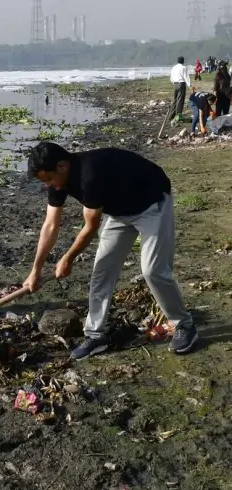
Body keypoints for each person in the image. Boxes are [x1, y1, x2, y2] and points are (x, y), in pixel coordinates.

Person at [23, 142, 198, 360]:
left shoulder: (90, 175)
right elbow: (50, 225)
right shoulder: (57, 183)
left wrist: (67, 259)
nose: (49, 185)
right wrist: (35, 270)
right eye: (44, 182)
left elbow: (90, 227)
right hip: (119, 212)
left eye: (48, 179)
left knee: (153, 270)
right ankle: (96, 335)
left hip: (151, 204)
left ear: (62, 166)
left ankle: (184, 324)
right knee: (102, 272)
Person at [168, 56, 190, 122]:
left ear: (177, 61)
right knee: (180, 100)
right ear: (183, 61)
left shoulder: (174, 67)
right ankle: (178, 115)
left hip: (175, 84)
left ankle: (171, 115)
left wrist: (174, 83)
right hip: (181, 84)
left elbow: (171, 77)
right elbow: (186, 77)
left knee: (175, 100)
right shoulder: (184, 67)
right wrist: (189, 85)